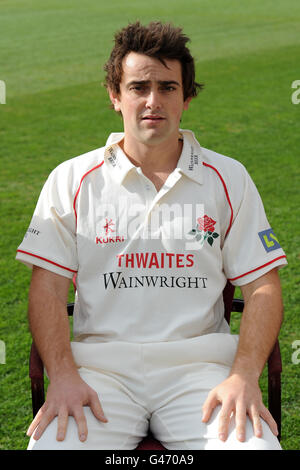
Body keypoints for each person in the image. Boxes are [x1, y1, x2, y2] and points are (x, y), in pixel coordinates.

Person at [16, 21, 287, 450]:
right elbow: (46, 287)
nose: (152, 101)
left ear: (187, 97)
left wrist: (243, 374)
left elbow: (263, 285)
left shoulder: (228, 177)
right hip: (100, 372)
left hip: (200, 370)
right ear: (115, 95)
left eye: (168, 87)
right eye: (139, 86)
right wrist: (64, 374)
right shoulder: (72, 178)